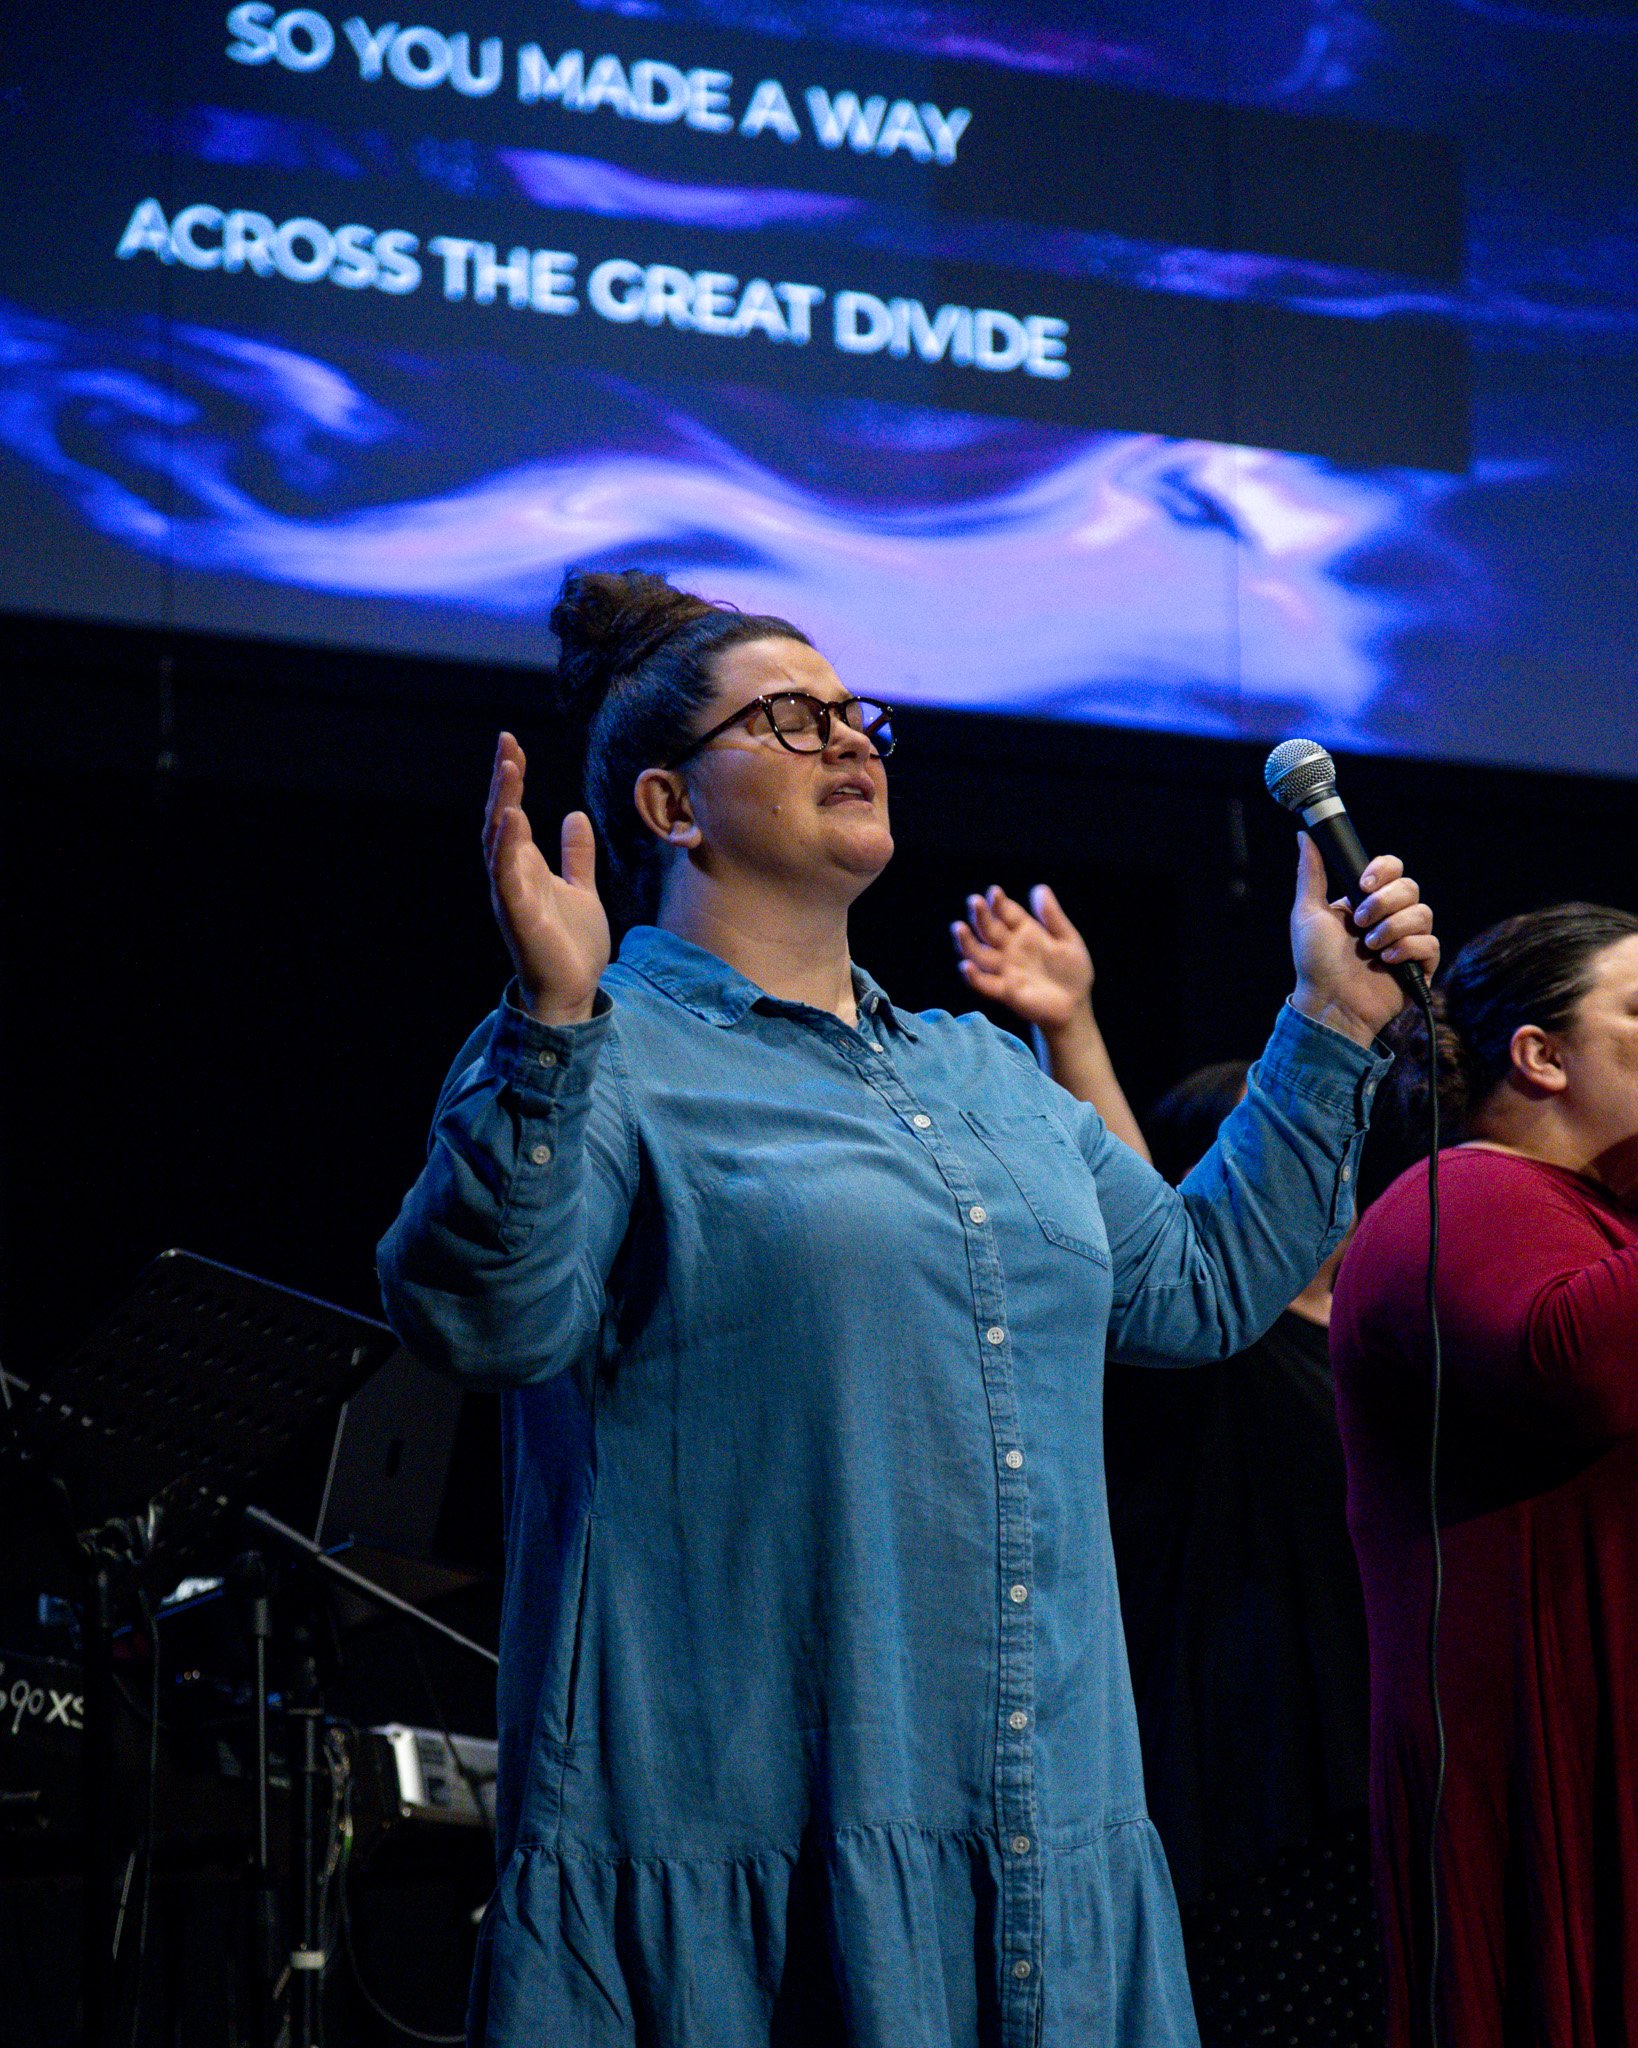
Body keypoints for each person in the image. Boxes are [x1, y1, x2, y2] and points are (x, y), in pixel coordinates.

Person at [377, 568, 1438, 2048]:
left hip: (1044, 1829)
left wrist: (1331, 1020)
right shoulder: (604, 1053)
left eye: (854, 712)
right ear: (671, 809)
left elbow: (1198, 1289)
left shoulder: (982, 1074)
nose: (848, 738)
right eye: (791, 719)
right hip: (752, 1836)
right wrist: (551, 1021)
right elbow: (483, 1324)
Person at [953, 890, 1381, 2047]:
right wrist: (1071, 1023)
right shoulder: (1225, 1348)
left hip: (1388, 1778)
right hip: (1270, 1793)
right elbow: (1153, 1254)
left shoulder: (1378, 1331)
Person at [1329, 903, 1638, 2047]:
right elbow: (1580, 1369)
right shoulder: (1462, 1197)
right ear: (1541, 1053)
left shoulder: (1601, 1220)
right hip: (1544, 1764)